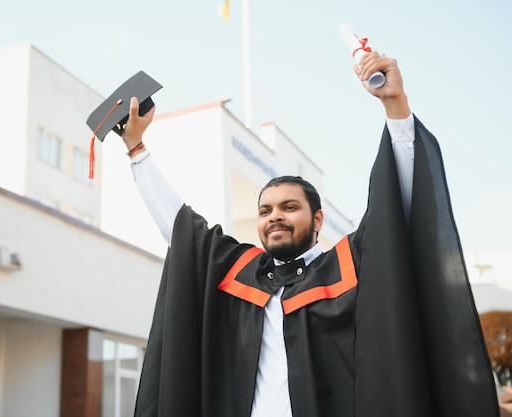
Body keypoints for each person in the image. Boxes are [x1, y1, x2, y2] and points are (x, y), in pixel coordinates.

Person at [119, 52, 499, 417]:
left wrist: (395, 105)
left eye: (289, 207)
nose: (275, 218)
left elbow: (394, 207)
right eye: (265, 211)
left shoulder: (348, 267)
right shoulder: (241, 272)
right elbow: (183, 231)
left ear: (318, 220)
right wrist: (136, 149)